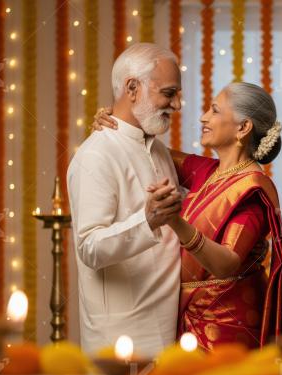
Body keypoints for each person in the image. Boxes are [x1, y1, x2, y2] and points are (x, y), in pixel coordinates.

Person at [92, 82, 282, 350]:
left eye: (214, 111)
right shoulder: (207, 170)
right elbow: (146, 151)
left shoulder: (252, 190)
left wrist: (175, 221)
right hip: (185, 313)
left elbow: (226, 263)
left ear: (243, 127)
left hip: (228, 323)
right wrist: (116, 123)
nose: (204, 117)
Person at [67, 43, 183, 356]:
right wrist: (147, 221)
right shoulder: (96, 155)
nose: (178, 104)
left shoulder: (157, 150)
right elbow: (89, 247)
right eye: (169, 93)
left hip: (171, 333)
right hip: (122, 341)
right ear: (132, 88)